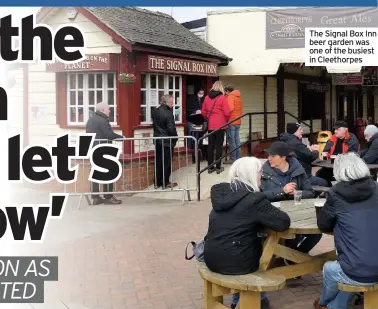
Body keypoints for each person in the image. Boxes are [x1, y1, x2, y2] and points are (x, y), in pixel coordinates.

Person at [204, 157, 291, 309]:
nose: (261, 176)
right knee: (261, 256)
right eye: (260, 172)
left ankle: (238, 302)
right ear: (251, 174)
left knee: (246, 245)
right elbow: (282, 223)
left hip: (211, 255)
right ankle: (256, 300)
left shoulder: (222, 192)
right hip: (237, 262)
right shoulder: (254, 199)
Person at [315, 153, 378, 309]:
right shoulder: (375, 188)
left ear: (339, 172)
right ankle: (331, 306)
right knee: (349, 271)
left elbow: (323, 225)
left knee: (331, 269)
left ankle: (323, 303)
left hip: (356, 270)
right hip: (367, 264)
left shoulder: (335, 194)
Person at [261, 141, 320, 257]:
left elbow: (310, 193)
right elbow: (262, 195)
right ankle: (289, 260)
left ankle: (296, 258)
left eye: (273, 156)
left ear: (283, 157)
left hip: (297, 214)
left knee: (317, 234)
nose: (269, 159)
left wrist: (297, 193)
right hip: (275, 215)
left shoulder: (297, 169)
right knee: (293, 235)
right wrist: (282, 190)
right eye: (269, 155)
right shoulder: (265, 172)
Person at [86, 102, 124, 205]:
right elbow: (109, 134)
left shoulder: (91, 119)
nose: (110, 110)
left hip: (93, 149)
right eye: (108, 109)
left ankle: (95, 197)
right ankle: (108, 197)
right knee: (108, 172)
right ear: (102, 110)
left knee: (96, 173)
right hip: (103, 149)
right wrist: (122, 138)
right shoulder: (103, 120)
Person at [280, 122, 328, 187]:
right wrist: (316, 150)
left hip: (288, 176)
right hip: (302, 177)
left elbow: (301, 154)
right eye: (300, 130)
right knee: (325, 182)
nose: (302, 131)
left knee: (319, 174)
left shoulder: (284, 141)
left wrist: (308, 149)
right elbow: (311, 156)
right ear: (294, 132)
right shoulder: (296, 144)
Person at [316, 121, 360, 185]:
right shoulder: (332, 138)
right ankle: (329, 191)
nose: (335, 131)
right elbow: (325, 151)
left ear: (345, 129)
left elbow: (351, 156)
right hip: (331, 166)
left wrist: (338, 158)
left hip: (345, 168)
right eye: (335, 129)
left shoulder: (352, 139)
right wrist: (323, 155)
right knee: (319, 174)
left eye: (338, 129)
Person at [201, 80, 230, 174]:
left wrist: (209, 118)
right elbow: (227, 112)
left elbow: (203, 112)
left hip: (210, 125)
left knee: (210, 146)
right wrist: (226, 120)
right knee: (218, 146)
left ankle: (210, 167)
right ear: (221, 87)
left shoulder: (206, 98)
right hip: (221, 125)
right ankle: (218, 167)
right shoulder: (222, 98)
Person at [152, 94, 179, 189]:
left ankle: (157, 182)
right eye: (172, 102)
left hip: (158, 140)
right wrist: (175, 138)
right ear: (167, 102)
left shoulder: (156, 111)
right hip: (167, 141)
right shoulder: (168, 113)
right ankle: (165, 182)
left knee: (158, 161)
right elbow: (171, 129)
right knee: (166, 162)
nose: (173, 103)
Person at [224, 85, 243, 164]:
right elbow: (241, 110)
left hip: (231, 121)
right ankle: (238, 157)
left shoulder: (230, 97)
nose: (225, 93)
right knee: (237, 139)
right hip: (238, 121)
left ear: (227, 91)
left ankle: (233, 158)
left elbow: (230, 108)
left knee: (231, 141)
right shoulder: (238, 97)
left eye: (225, 92)